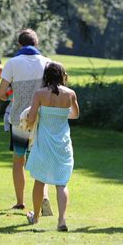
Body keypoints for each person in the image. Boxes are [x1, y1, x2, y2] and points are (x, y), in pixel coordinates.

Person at [0, 28, 53, 215]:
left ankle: (20, 202)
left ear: (19, 44)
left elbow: (1, 93)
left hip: (19, 120)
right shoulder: (47, 62)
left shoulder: (13, 63)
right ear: (36, 43)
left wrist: (12, 94)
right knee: (40, 160)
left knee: (18, 160)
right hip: (41, 119)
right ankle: (43, 197)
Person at [24, 62, 80, 231]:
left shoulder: (40, 94)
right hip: (62, 144)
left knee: (40, 180)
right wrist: (61, 114)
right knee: (61, 182)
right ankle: (62, 220)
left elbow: (31, 118)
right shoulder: (70, 94)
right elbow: (76, 115)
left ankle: (35, 218)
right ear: (62, 75)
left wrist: (26, 118)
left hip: (44, 143)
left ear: (46, 75)